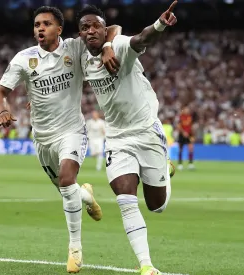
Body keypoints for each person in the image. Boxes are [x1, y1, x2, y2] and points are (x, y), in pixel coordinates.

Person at [0, 6, 121, 273]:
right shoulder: (23, 59)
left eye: (47, 24)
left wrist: (108, 47)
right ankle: (86, 196)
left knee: (66, 179)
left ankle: (75, 248)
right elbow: (1, 92)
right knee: (67, 189)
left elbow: (111, 29)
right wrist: (3, 110)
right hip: (42, 138)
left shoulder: (74, 47)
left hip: (72, 130)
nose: (40, 28)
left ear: (59, 29)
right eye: (37, 24)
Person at [76, 2, 177, 274]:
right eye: (84, 28)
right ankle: (146, 265)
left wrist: (159, 25)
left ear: (104, 28)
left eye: (96, 25)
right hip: (118, 138)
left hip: (146, 132)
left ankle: (165, 170)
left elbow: (141, 38)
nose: (90, 31)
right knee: (125, 199)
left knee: (157, 206)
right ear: (80, 34)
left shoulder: (118, 45)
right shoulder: (80, 56)